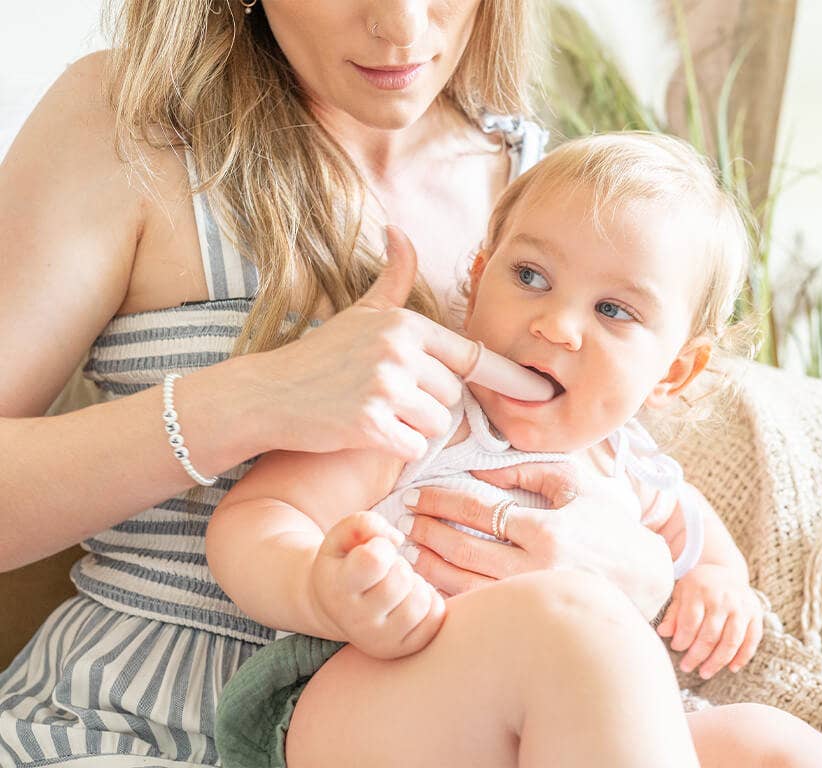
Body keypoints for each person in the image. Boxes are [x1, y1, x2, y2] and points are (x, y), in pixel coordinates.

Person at [2, 1, 700, 765]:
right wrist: (257, 399)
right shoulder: (131, 124)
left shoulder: (553, 189)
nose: (402, 27)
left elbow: (626, 472)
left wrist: (641, 579)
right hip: (145, 721)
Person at [206, 133, 822, 768]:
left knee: (774, 743)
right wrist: (318, 589)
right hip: (361, 692)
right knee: (574, 624)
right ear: (479, 279)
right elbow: (257, 514)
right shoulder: (424, 409)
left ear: (673, 374)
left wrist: (719, 581)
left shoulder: (629, 467)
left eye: (613, 310)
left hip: (556, 726)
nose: (557, 324)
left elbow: (693, 534)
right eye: (530, 276)